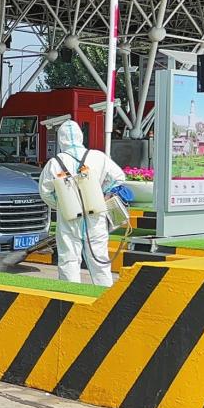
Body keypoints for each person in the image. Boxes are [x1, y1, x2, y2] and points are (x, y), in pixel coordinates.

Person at [38, 120, 124, 287]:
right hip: (96, 214)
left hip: (69, 216)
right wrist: (102, 194)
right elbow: (118, 178)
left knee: (68, 259)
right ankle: (103, 294)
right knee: (99, 259)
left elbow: (45, 191)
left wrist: (61, 204)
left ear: (60, 139)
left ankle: (70, 295)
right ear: (80, 136)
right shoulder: (98, 157)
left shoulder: (55, 162)